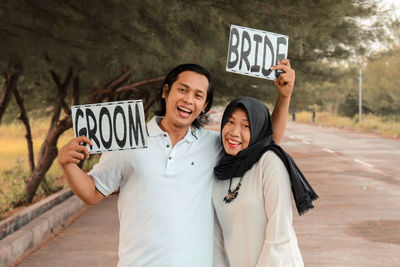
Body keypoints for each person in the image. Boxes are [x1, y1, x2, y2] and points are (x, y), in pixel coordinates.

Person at [58, 61, 294, 267]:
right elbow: (92, 192)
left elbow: (263, 141)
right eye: (182, 90)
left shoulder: (213, 145)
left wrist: (284, 97)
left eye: (198, 95)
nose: (188, 100)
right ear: (166, 92)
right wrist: (67, 164)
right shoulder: (128, 141)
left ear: (205, 107)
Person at [213, 97, 318, 267]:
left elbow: (280, 232)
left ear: (258, 129)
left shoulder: (269, 162)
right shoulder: (221, 169)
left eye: (246, 126)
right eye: (230, 122)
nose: (234, 132)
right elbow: (218, 237)